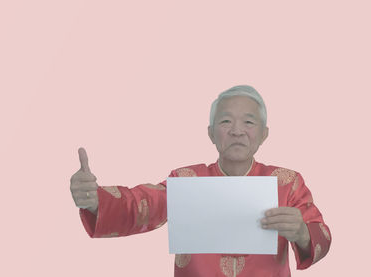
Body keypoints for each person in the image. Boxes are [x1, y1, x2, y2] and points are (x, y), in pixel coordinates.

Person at [70, 85, 331, 277]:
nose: (237, 130)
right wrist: (96, 201)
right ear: (211, 133)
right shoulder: (187, 180)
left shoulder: (287, 182)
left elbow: (321, 234)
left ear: (264, 134)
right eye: (226, 121)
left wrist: (301, 233)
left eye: (249, 122)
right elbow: (142, 205)